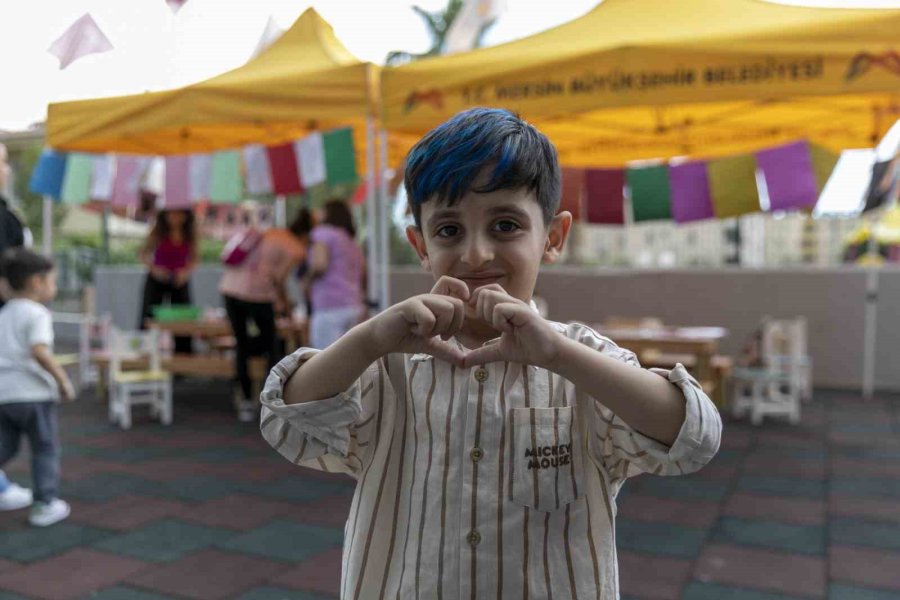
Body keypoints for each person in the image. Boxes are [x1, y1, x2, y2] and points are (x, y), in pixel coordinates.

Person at [258, 108, 722, 598]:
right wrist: (371, 339)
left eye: (505, 225)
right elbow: (286, 423)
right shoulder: (386, 366)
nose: (476, 254)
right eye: (449, 230)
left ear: (554, 238)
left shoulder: (581, 361)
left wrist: (559, 356)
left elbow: (695, 437)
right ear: (420, 245)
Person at [0, 248, 75, 526]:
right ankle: (45, 504)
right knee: (44, 448)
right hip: (33, 395)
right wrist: (63, 381)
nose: (53, 287)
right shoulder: (37, 313)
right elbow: (40, 352)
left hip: (4, 395)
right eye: (52, 281)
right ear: (36, 282)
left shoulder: (4, 314)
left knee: (5, 445)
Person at [220, 209, 311, 422]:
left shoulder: (270, 232)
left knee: (241, 344)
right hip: (258, 295)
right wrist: (287, 308)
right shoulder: (296, 248)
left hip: (229, 289)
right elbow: (279, 280)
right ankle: (269, 400)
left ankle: (243, 400)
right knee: (272, 345)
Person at [306, 200, 365, 348]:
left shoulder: (323, 233)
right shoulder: (352, 242)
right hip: (353, 306)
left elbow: (319, 265)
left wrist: (306, 281)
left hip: (329, 306)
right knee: (349, 359)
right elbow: (364, 274)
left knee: (323, 360)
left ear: (328, 213)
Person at [138, 209, 196, 353]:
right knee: (148, 316)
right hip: (157, 278)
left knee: (183, 318)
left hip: (179, 280)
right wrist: (155, 270)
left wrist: (185, 272)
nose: (175, 217)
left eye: (179, 213)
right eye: (171, 213)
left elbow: (195, 258)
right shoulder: (157, 232)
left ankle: (183, 357)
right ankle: (145, 352)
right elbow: (143, 254)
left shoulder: (190, 234)